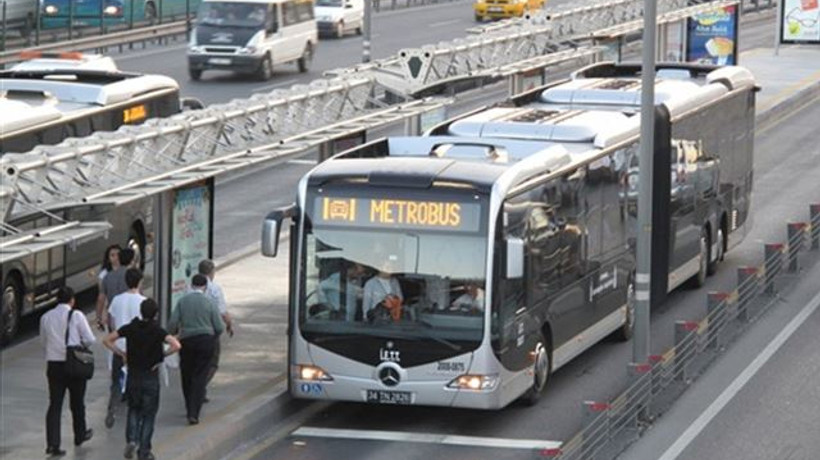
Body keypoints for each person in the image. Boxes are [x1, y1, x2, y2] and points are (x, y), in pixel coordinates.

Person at [103, 299, 181, 460]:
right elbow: (176, 345)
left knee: (134, 409)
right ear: (156, 314)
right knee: (149, 415)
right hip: (150, 377)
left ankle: (132, 439)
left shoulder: (130, 328)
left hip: (134, 376)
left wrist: (121, 354)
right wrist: (161, 357)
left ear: (141, 311)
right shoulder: (157, 330)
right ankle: (144, 451)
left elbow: (107, 340)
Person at [40, 287, 95, 457]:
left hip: (54, 364)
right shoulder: (77, 315)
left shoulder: (46, 317)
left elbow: (44, 341)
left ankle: (53, 444)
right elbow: (90, 339)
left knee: (55, 404)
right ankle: (80, 434)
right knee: (77, 402)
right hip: (74, 364)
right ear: (72, 300)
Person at [168, 274, 224, 425]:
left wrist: (173, 334)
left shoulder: (182, 301)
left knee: (187, 374)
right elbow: (219, 326)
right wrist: (213, 336)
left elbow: (172, 323)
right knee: (200, 376)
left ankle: (188, 407)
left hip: (187, 341)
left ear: (191, 286)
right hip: (206, 341)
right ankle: (194, 413)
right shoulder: (209, 302)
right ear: (205, 287)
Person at [105, 268, 146, 429]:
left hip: (118, 347)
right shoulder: (143, 301)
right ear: (140, 282)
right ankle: (133, 414)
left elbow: (112, 321)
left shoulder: (116, 300)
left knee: (116, 381)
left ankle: (112, 407)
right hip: (136, 350)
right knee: (135, 383)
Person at [197, 259, 234, 402]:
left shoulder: (190, 287)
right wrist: (229, 325)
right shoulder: (215, 289)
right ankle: (200, 386)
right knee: (212, 362)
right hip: (210, 331)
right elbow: (223, 312)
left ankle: (198, 387)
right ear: (212, 272)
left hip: (192, 331)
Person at [96, 248, 136, 331]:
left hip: (113, 316)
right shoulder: (133, 275)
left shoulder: (107, 277)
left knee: (113, 340)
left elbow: (101, 299)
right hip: (130, 315)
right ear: (132, 260)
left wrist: (99, 318)